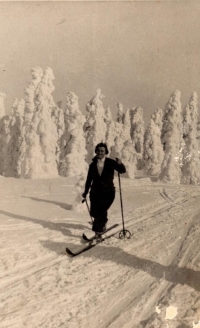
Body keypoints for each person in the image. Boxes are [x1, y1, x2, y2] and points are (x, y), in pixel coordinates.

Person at [82, 142, 126, 237]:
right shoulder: (92, 165)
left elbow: (122, 171)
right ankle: (103, 222)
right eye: (98, 150)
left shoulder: (110, 162)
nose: (100, 152)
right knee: (94, 212)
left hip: (108, 192)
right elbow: (89, 180)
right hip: (95, 192)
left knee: (101, 211)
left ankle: (98, 231)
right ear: (96, 151)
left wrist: (120, 164)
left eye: (102, 151)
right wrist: (85, 192)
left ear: (106, 152)